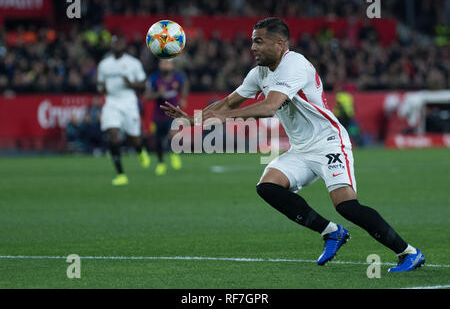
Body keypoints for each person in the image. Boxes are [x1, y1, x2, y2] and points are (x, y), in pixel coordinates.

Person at [161, 18, 425, 272]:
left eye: (259, 42)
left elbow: (269, 106)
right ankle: (331, 232)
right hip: (301, 148)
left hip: (328, 142)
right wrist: (195, 118)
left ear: (279, 44)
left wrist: (221, 117)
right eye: (253, 42)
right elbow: (229, 103)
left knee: (347, 206)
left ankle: (408, 252)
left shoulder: (295, 64)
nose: (253, 47)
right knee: (268, 187)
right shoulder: (259, 73)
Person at [97, 35, 150, 186]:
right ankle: (121, 174)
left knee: (134, 138)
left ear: (124, 45)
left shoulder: (133, 63)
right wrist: (102, 89)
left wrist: (132, 84)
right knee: (112, 135)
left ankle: (140, 151)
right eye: (114, 42)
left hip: (128, 102)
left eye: (119, 42)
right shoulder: (104, 65)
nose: (117, 44)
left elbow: (143, 83)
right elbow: (100, 85)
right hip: (112, 102)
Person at [146, 59, 188, 176]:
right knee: (158, 140)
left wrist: (183, 98)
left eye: (167, 63)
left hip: (173, 112)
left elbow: (185, 85)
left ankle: (174, 154)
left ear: (172, 65)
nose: (165, 65)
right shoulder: (154, 78)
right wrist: (158, 94)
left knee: (173, 134)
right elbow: (147, 96)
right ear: (159, 65)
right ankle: (161, 163)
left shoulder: (177, 77)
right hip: (158, 114)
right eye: (163, 63)